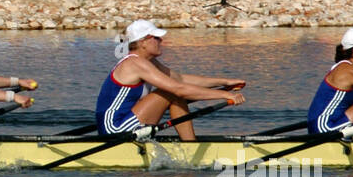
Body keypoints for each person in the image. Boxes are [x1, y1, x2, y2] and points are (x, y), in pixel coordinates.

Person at [95, 20, 245, 141]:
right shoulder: (135, 63)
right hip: (115, 129)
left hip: (125, 122)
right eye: (156, 38)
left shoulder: (147, 62)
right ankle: (190, 146)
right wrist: (225, 95)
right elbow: (178, 89)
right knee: (172, 92)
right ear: (143, 42)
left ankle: (189, 145)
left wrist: (225, 82)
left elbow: (180, 79)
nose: (161, 41)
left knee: (173, 90)